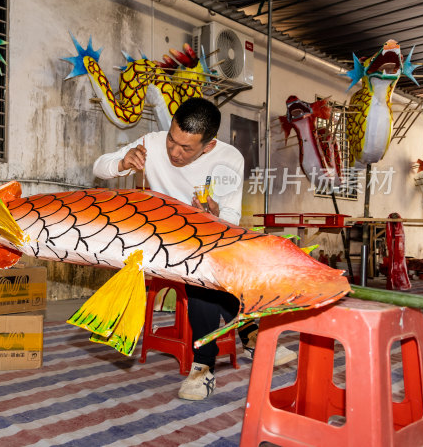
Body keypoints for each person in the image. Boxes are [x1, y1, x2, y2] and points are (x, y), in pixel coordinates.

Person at [93, 97, 296, 401]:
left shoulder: (229, 159)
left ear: (208, 146)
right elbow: (99, 167)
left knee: (205, 266)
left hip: (204, 241)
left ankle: (206, 365)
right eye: (172, 141)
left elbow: (229, 220)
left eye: (186, 149)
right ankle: (248, 335)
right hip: (158, 238)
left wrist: (212, 213)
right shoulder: (152, 142)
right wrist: (123, 162)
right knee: (199, 271)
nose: (174, 152)